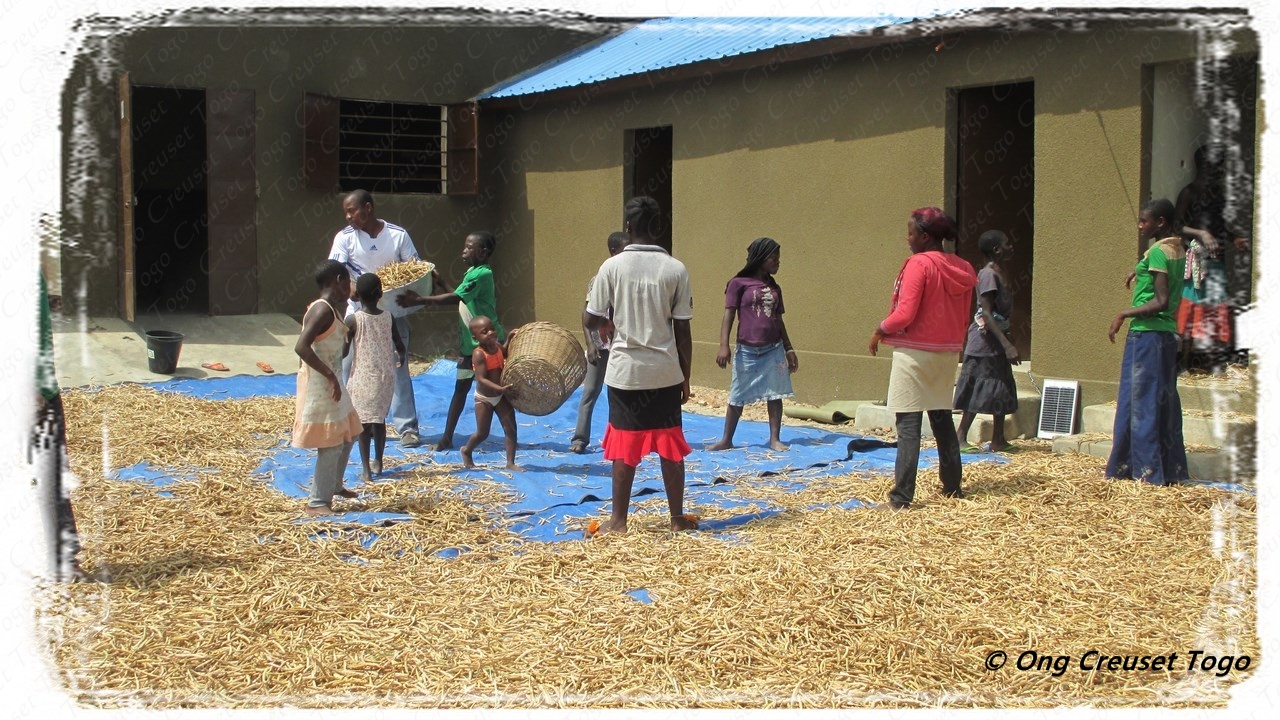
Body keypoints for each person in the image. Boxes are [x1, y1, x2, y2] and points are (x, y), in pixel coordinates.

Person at [583, 196, 695, 535]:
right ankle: (677, 519)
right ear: (657, 226)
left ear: (627, 227)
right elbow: (683, 331)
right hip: (664, 372)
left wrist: (606, 322)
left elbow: (590, 317)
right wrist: (685, 378)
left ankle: (618, 521)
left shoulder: (612, 267)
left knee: (624, 444)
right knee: (670, 444)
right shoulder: (676, 268)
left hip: (625, 372)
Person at [868, 207, 977, 510]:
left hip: (914, 353)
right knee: (941, 419)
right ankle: (953, 486)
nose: (908, 238)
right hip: (947, 353)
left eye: (911, 233)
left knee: (908, 425)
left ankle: (901, 497)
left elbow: (905, 313)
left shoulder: (919, 264)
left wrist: (879, 330)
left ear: (925, 236)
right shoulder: (964, 268)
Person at [329, 189, 423, 447]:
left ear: (368, 208)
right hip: (357, 315)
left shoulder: (397, 235)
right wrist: (353, 290)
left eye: (352, 211)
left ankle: (407, 428)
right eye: (345, 212)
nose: (348, 217)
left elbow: (414, 270)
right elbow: (336, 273)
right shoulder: (344, 238)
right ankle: (344, 423)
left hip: (391, 314)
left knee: (397, 367)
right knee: (348, 367)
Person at [397, 231, 505, 452]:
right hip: (470, 348)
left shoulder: (482, 274)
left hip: (488, 347)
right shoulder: (472, 272)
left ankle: (506, 436)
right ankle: (448, 437)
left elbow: (456, 298)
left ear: (482, 252)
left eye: (468, 247)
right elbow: (461, 300)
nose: (463, 251)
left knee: (496, 394)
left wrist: (419, 300)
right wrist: (441, 281)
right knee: (461, 389)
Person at [1107, 199, 1188, 486]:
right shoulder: (1175, 248)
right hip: (1164, 336)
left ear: (1161, 223)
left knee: (1141, 404)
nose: (1140, 225)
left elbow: (1161, 300)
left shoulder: (1156, 252)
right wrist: (1138, 268)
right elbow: (1159, 275)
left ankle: (1146, 473)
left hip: (1147, 334)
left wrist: (1123, 313)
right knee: (1160, 402)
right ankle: (1166, 468)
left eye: (1145, 221)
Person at [708, 237, 798, 452]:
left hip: (773, 349)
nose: (778, 261)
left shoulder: (774, 286)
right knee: (738, 394)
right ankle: (727, 439)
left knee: (775, 394)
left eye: (779, 257)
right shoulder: (738, 284)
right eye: (773, 257)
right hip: (747, 349)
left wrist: (789, 348)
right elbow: (729, 315)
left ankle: (774, 439)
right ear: (760, 258)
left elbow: (779, 319)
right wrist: (724, 345)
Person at [293, 260, 364, 516]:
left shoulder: (332, 309)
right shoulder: (321, 310)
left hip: (333, 381)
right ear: (338, 280)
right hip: (323, 384)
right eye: (347, 282)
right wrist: (330, 377)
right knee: (332, 441)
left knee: (351, 431)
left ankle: (334, 484)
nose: (350, 288)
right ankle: (317, 501)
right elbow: (301, 347)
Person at [953, 230, 1021, 453]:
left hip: (996, 342)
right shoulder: (988, 275)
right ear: (997, 250)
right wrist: (1007, 344)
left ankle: (998, 438)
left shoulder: (1000, 273)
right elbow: (987, 313)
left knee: (1001, 386)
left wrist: (1007, 339)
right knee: (978, 387)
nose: (1011, 247)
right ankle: (960, 437)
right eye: (1007, 244)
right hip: (983, 344)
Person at [343, 273, 406, 483]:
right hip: (384, 377)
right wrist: (402, 358)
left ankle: (366, 470)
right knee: (379, 420)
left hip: (362, 377)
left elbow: (343, 351)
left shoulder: (353, 320)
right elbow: (400, 345)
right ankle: (378, 462)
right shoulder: (389, 317)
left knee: (363, 425)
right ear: (381, 294)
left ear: (356, 296)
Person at [569, 231, 627, 454]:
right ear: (614, 252)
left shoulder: (627, 279)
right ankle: (580, 438)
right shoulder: (599, 279)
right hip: (600, 346)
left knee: (618, 394)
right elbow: (586, 315)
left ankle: (616, 439)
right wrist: (591, 345)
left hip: (620, 345)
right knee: (590, 392)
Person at [459, 316, 524, 471]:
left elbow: (505, 352)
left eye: (492, 329)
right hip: (485, 398)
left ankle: (510, 462)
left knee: (511, 429)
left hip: (500, 395)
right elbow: (481, 379)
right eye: (484, 332)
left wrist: (509, 338)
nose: (490, 333)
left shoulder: (496, 346)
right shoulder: (479, 354)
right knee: (482, 433)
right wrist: (499, 388)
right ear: (476, 338)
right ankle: (467, 450)